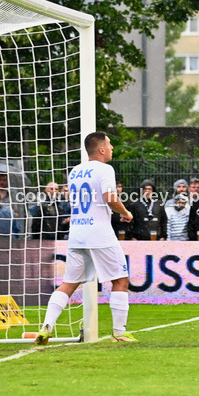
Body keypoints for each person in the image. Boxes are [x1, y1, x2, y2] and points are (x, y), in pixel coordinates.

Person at [35, 132, 135, 344]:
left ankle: (46, 326)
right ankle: (119, 333)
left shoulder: (75, 171)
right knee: (120, 280)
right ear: (100, 149)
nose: (112, 148)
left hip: (77, 233)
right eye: (109, 145)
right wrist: (125, 213)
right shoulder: (105, 169)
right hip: (99, 233)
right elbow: (110, 198)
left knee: (68, 284)